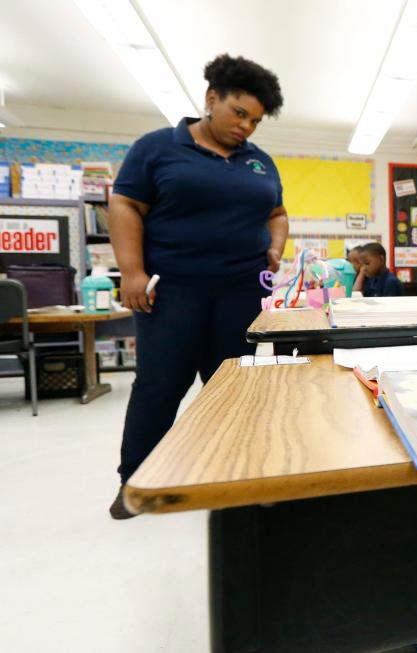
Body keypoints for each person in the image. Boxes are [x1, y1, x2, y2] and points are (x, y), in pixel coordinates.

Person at [108, 54, 286, 519]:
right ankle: (136, 481)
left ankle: (233, 471)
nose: (246, 127)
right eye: (239, 114)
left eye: (255, 120)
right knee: (161, 384)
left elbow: (277, 214)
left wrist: (275, 247)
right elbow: (125, 203)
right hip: (173, 291)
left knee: (231, 385)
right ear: (211, 100)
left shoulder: (260, 163)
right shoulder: (157, 148)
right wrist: (131, 272)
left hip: (241, 291)